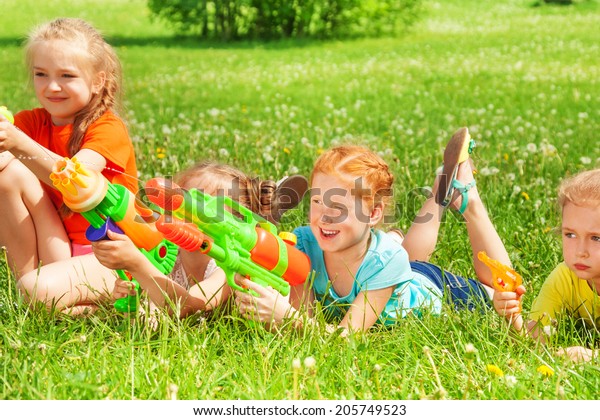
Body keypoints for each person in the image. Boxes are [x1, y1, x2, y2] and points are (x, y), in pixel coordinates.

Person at [235, 128, 512, 333]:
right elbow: (309, 322)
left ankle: (469, 201)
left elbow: (346, 337)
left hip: (437, 291)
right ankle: (440, 191)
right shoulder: (304, 245)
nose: (325, 216)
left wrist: (285, 317)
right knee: (404, 258)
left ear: (374, 214)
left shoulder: (387, 262)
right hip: (387, 262)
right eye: (318, 201)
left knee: (497, 288)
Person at [0, 18, 137, 314]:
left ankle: (105, 305)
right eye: (41, 74)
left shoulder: (107, 128)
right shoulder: (31, 122)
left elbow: (79, 182)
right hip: (57, 245)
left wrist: (19, 144)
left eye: (67, 75)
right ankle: (26, 284)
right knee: (7, 174)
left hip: (110, 254)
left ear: (97, 81)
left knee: (37, 292)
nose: (52, 86)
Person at [91, 161, 308, 319]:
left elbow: (189, 306)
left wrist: (137, 264)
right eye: (185, 200)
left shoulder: (229, 265)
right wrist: (131, 294)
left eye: (205, 206)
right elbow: (155, 300)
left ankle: (270, 220)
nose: (190, 211)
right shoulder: (169, 250)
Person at [493, 168, 600, 362]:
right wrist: (512, 316)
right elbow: (534, 341)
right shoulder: (564, 278)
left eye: (596, 238)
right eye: (570, 235)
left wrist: (593, 357)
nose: (580, 251)